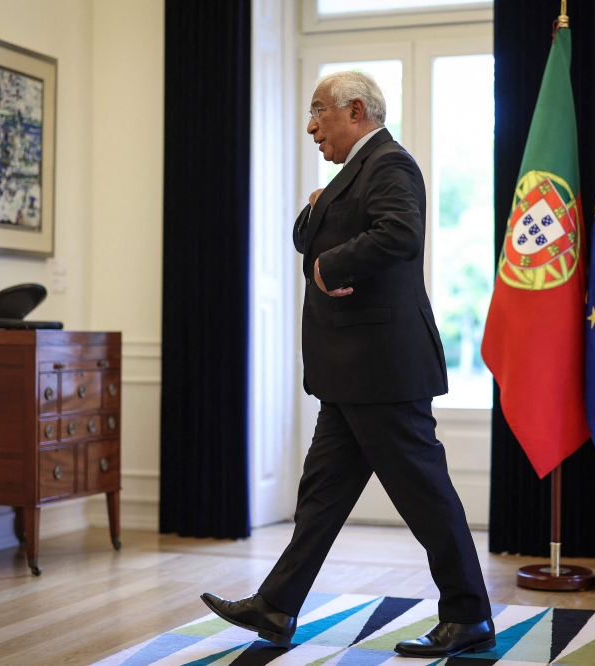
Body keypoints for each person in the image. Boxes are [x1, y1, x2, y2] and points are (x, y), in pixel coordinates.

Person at [201, 71, 494, 658]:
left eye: (318, 112)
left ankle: (469, 617)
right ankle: (276, 606)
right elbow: (308, 238)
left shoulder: (388, 164)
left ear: (355, 111)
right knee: (321, 496)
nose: (311, 127)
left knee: (423, 494)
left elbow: (400, 234)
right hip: (352, 373)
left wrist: (331, 266)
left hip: (382, 370)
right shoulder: (351, 176)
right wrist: (317, 213)